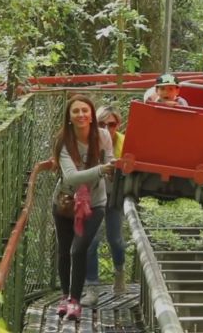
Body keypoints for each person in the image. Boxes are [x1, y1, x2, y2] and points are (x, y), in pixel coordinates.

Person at [52, 95, 115, 321]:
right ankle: (65, 296)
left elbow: (111, 162)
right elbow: (71, 177)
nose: (81, 115)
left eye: (85, 111)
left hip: (95, 203)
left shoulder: (104, 136)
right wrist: (102, 170)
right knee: (64, 250)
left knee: (78, 250)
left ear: (91, 115)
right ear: (69, 117)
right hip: (65, 202)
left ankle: (75, 301)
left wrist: (114, 171)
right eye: (76, 111)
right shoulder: (63, 141)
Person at [81, 106, 127, 306]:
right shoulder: (88, 141)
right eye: (102, 124)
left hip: (114, 194)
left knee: (115, 239)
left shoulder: (125, 142)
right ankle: (92, 288)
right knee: (91, 242)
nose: (107, 129)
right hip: (93, 194)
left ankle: (119, 273)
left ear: (118, 125)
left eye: (112, 124)